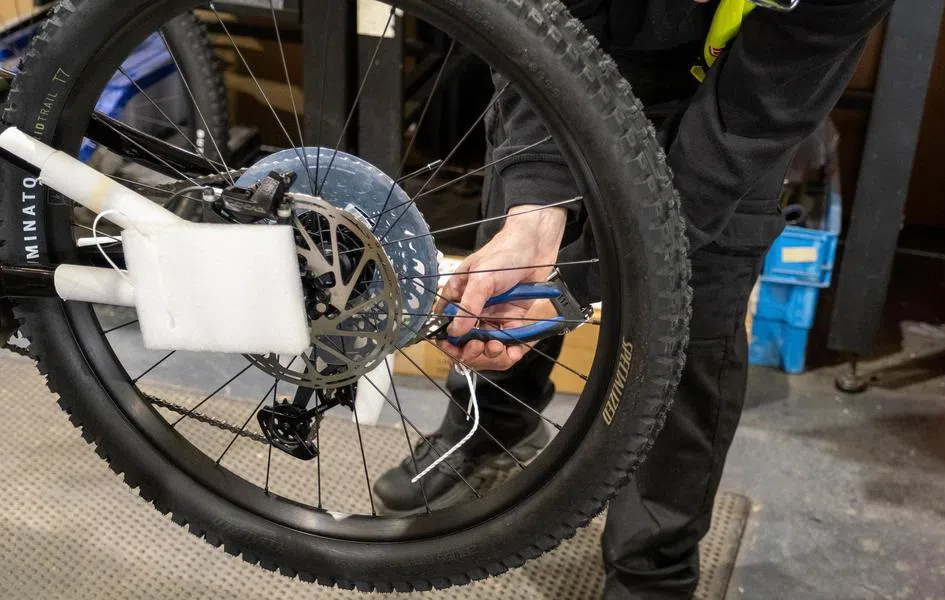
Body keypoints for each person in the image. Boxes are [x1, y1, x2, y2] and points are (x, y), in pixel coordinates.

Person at [374, 1, 895, 597]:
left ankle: (651, 572)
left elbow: (746, 124)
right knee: (515, 249)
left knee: (685, 329)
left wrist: (579, 281)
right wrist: (539, 208)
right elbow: (530, 33)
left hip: (729, 107)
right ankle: (493, 432)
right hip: (575, 71)